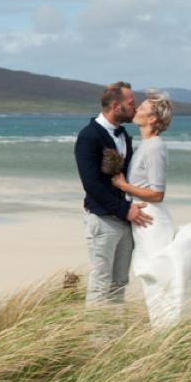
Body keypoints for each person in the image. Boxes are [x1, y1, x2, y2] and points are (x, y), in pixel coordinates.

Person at [111, 90, 191, 327]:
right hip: (143, 220)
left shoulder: (155, 147)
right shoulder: (146, 145)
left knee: (157, 277)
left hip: (151, 221)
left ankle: (167, 330)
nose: (137, 110)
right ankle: (162, 330)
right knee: (152, 278)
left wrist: (123, 185)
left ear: (152, 119)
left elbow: (158, 193)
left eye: (142, 108)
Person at [75, 81, 152, 307]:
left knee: (119, 282)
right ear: (116, 106)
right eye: (131, 103)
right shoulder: (89, 136)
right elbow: (91, 184)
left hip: (125, 222)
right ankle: (96, 339)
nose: (135, 107)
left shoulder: (124, 136)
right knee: (100, 282)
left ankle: (112, 337)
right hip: (102, 220)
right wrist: (125, 210)